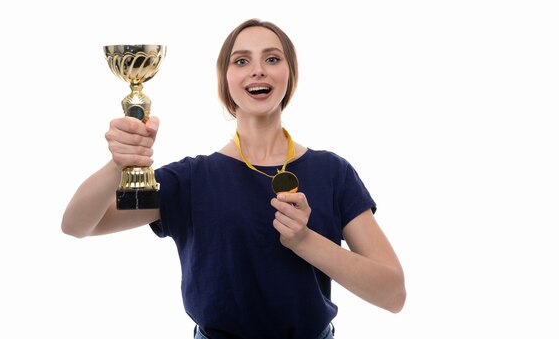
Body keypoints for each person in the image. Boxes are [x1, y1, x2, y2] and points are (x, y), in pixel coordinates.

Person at [62, 19, 406, 339]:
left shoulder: (333, 171)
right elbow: (79, 225)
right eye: (241, 61)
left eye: (272, 59)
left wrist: (304, 241)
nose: (258, 69)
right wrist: (118, 164)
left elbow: (393, 294)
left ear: (290, 75)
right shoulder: (190, 180)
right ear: (224, 80)